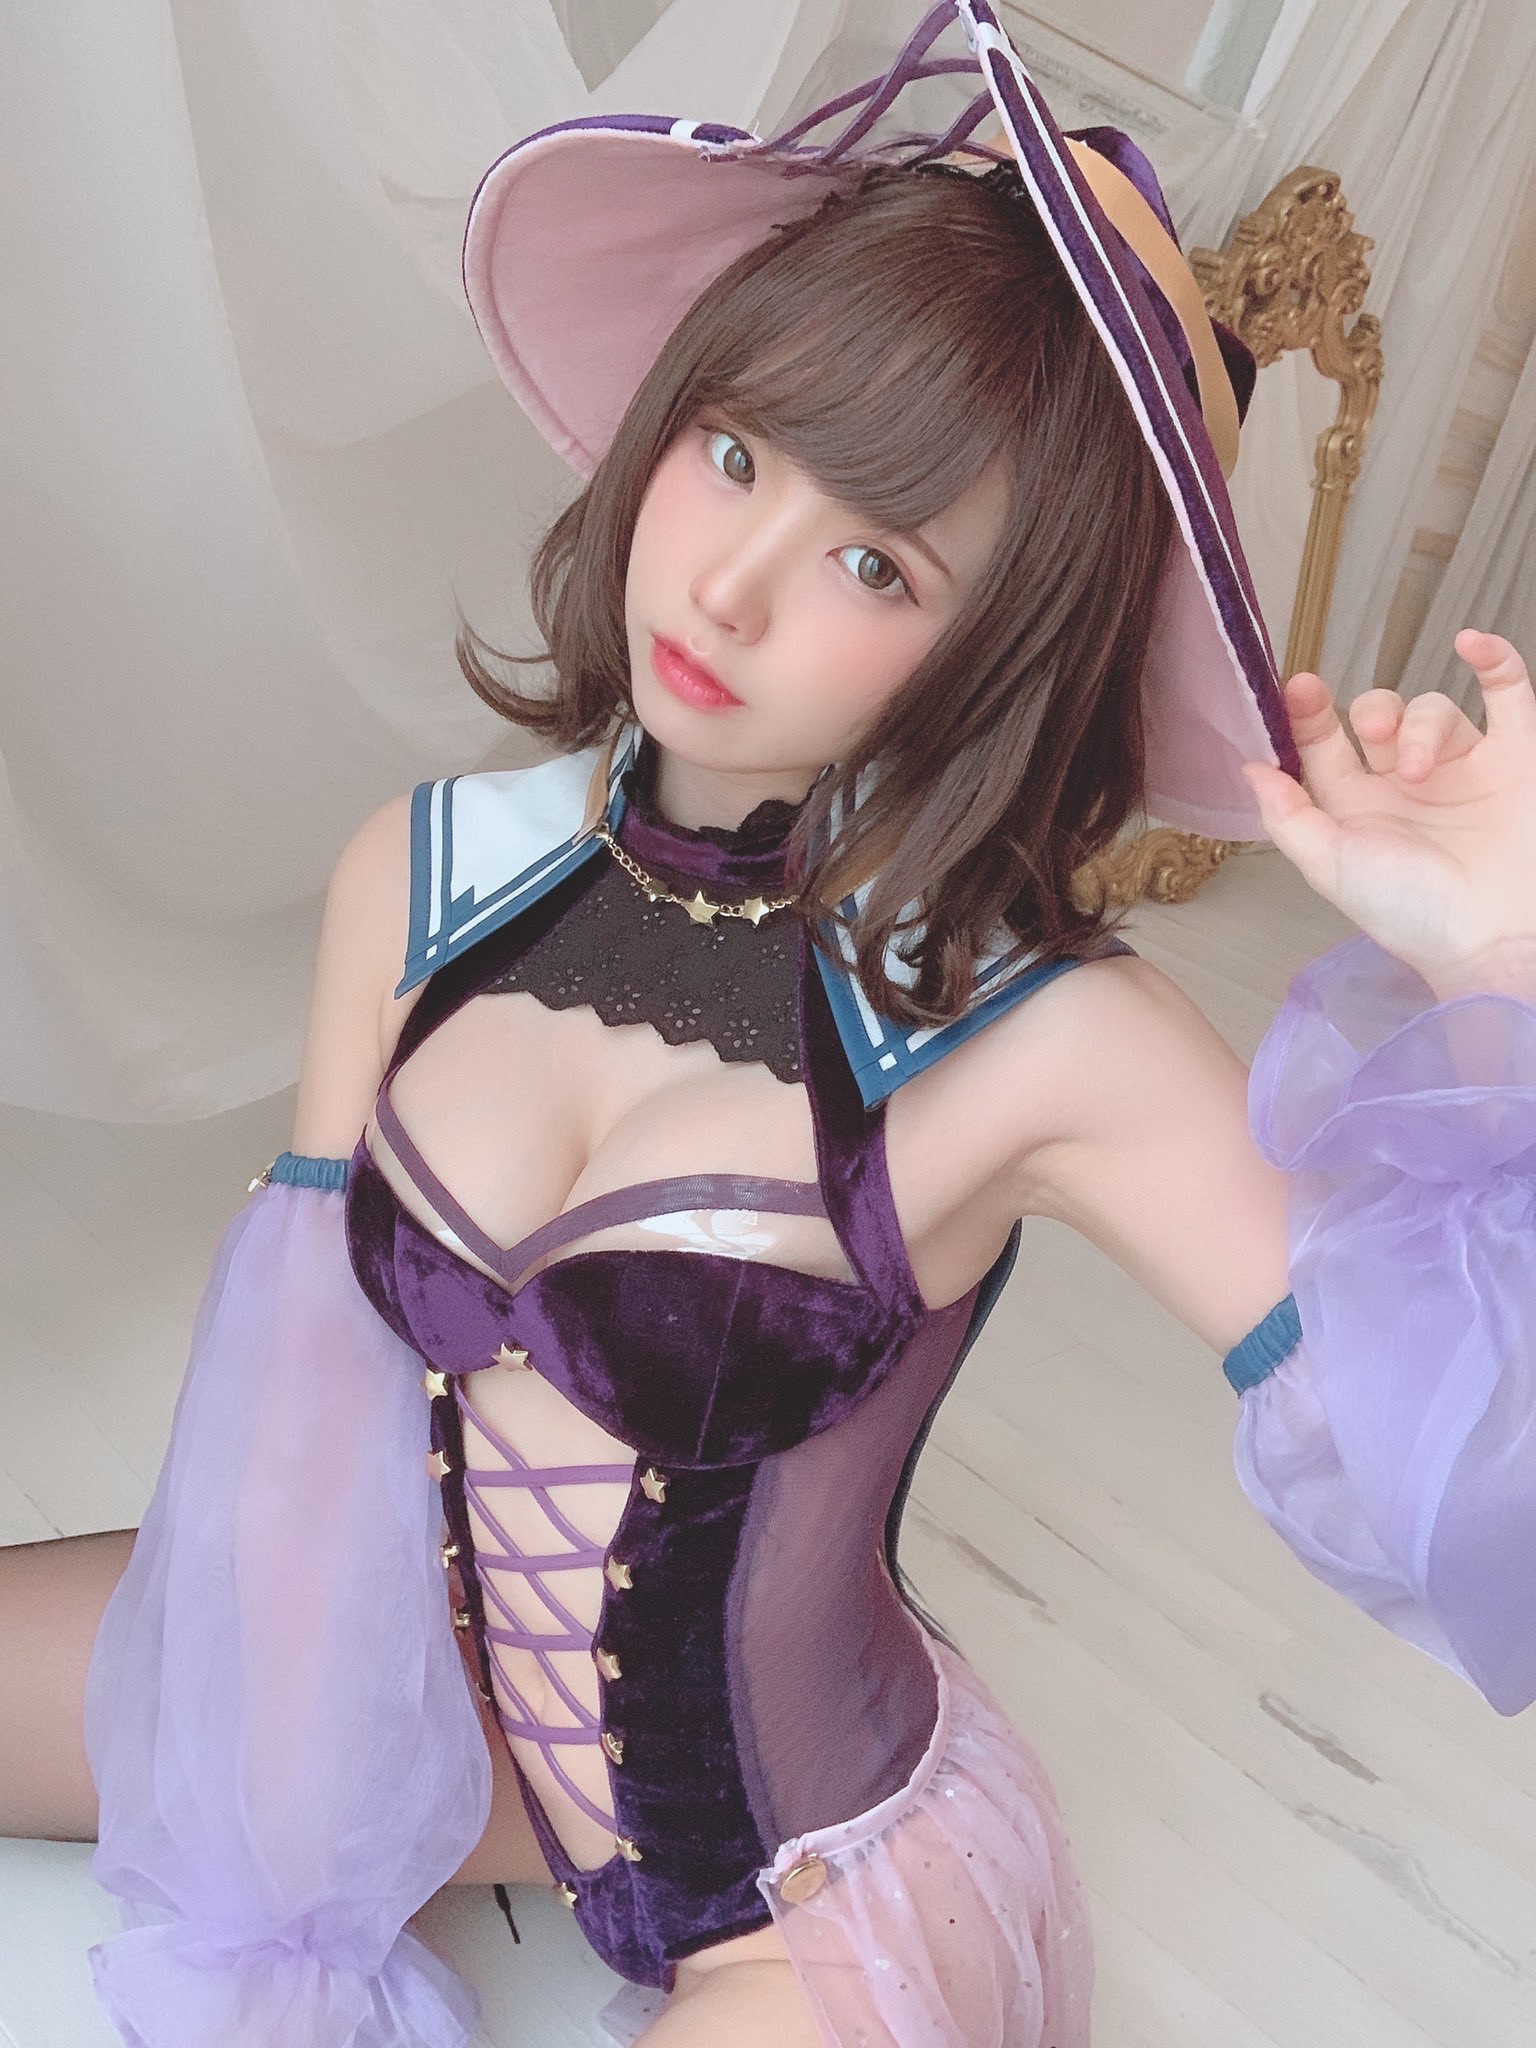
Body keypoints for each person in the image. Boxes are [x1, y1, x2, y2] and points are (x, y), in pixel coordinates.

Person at [3, 4, 1533, 2045]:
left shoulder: (1050, 1045)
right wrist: (286, 1849)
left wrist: (1503, 963)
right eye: (735, 453)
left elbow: (1491, 1498)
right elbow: (301, 1414)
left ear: (1000, 652)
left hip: (812, 1883)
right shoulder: (423, 875)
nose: (726, 588)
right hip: (448, 1697)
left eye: (873, 561)